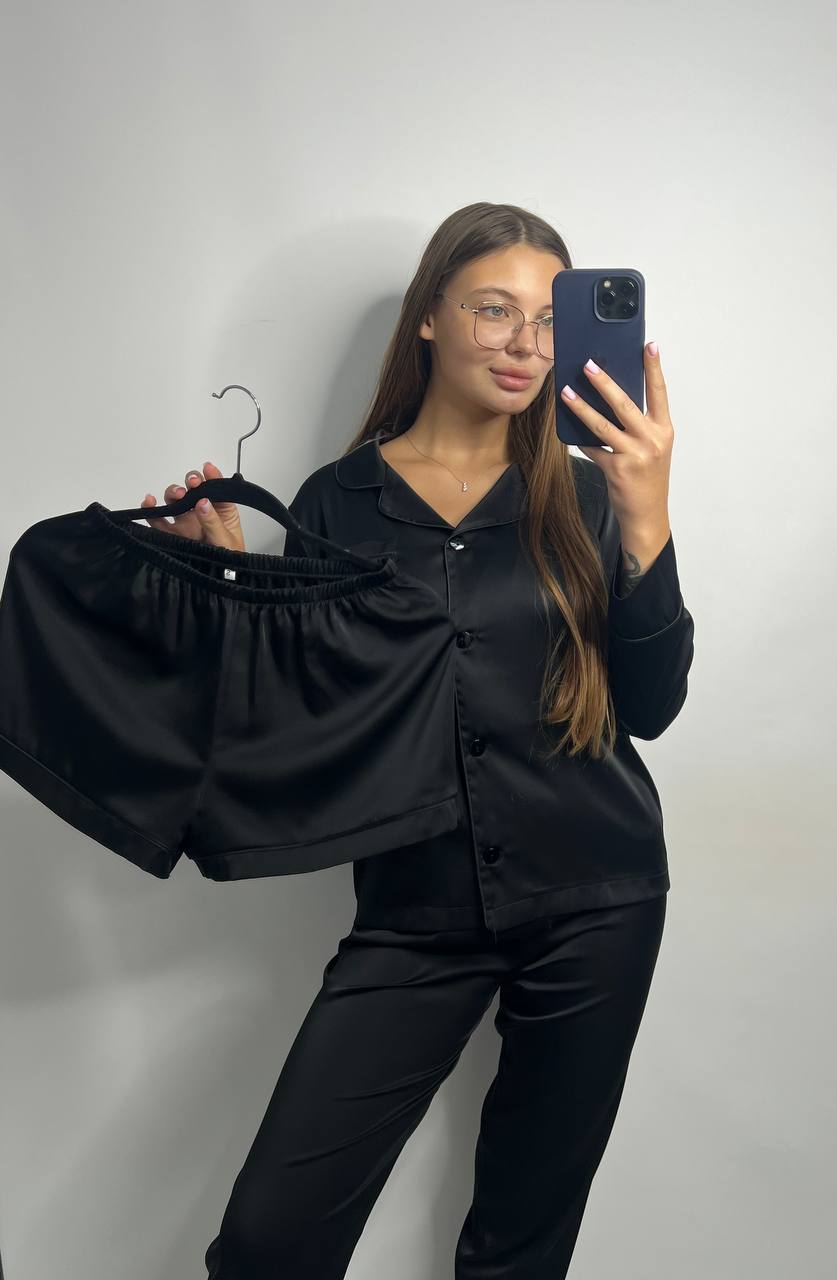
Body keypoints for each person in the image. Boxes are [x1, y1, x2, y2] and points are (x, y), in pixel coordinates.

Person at [140, 202, 694, 1279]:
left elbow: (654, 701)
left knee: (518, 1249)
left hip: (599, 899)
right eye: (495, 309)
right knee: (267, 1243)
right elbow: (298, 731)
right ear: (430, 316)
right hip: (416, 915)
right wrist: (231, 591)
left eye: (549, 316)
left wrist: (649, 517)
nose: (527, 343)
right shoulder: (335, 504)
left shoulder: (588, 491)